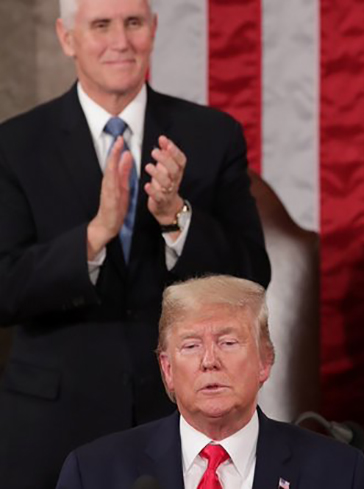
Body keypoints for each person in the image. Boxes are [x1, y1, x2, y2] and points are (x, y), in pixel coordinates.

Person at [0, 0, 270, 487]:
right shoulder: (16, 144)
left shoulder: (212, 135)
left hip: (177, 419)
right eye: (101, 25)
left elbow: (252, 275)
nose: (120, 41)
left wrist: (177, 218)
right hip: (52, 426)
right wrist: (94, 235)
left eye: (133, 23)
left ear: (154, 29)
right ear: (67, 38)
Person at [55, 275, 364, 489]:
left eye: (228, 342)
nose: (209, 360)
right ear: (167, 369)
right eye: (191, 346)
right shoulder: (94, 473)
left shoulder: (340, 473)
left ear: (265, 361)